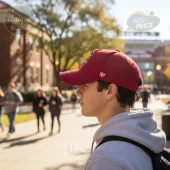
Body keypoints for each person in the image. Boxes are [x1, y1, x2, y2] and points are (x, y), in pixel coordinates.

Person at [59, 49, 166, 170]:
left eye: (85, 85)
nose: (78, 92)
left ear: (110, 91)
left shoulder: (106, 159)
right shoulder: (143, 138)